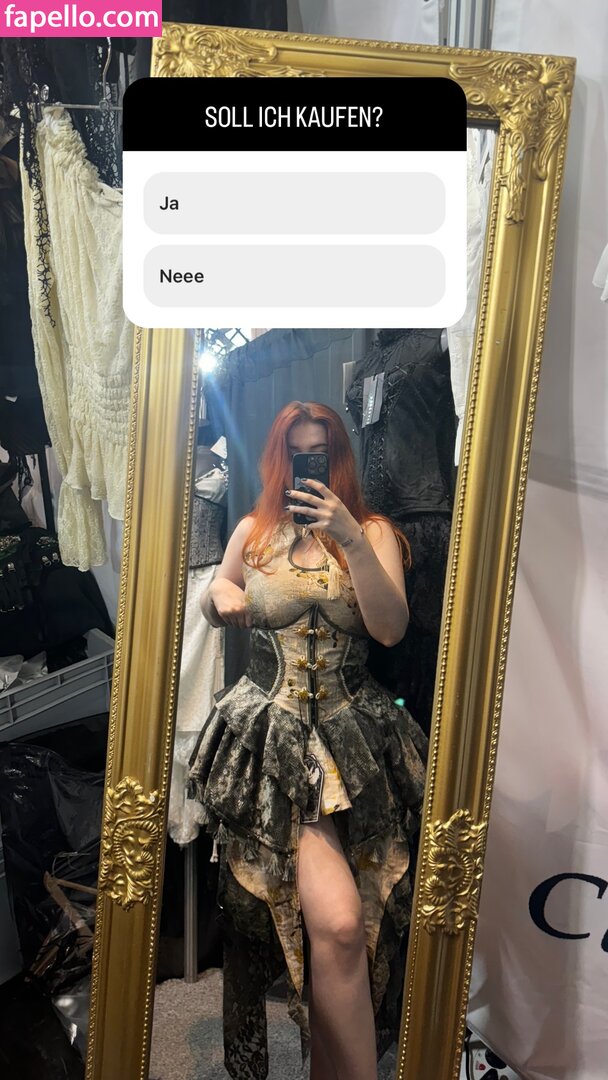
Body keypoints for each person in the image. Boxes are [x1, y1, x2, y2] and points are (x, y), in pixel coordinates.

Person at [188, 401, 427, 1080]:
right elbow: (220, 587)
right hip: (274, 744)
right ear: (278, 459)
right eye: (296, 454)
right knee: (338, 926)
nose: (308, 466)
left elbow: (389, 630)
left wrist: (349, 536)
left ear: (340, 458)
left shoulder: (373, 533)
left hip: (360, 746)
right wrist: (217, 598)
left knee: (356, 927)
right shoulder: (254, 531)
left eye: (320, 453)